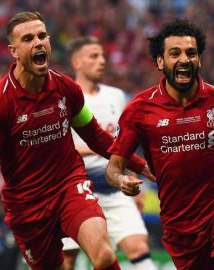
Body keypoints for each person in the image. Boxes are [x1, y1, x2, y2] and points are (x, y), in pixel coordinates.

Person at [0, 11, 154, 270]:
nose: (38, 43)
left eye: (42, 36)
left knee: (104, 255)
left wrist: (139, 164)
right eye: (28, 39)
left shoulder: (66, 89)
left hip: (69, 188)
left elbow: (96, 136)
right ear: (14, 51)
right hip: (27, 207)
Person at [106, 18, 214, 270]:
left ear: (199, 59)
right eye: (174, 53)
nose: (184, 60)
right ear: (160, 61)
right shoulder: (139, 110)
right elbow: (114, 167)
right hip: (180, 220)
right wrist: (122, 181)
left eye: (191, 53)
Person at [60, 36, 157, 270]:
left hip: (113, 188)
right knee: (67, 259)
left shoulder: (116, 96)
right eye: (94, 56)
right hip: (76, 189)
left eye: (103, 56)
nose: (102, 61)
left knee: (138, 246)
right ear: (77, 62)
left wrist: (135, 187)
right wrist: (96, 148)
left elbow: (123, 145)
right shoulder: (65, 98)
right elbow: (57, 149)